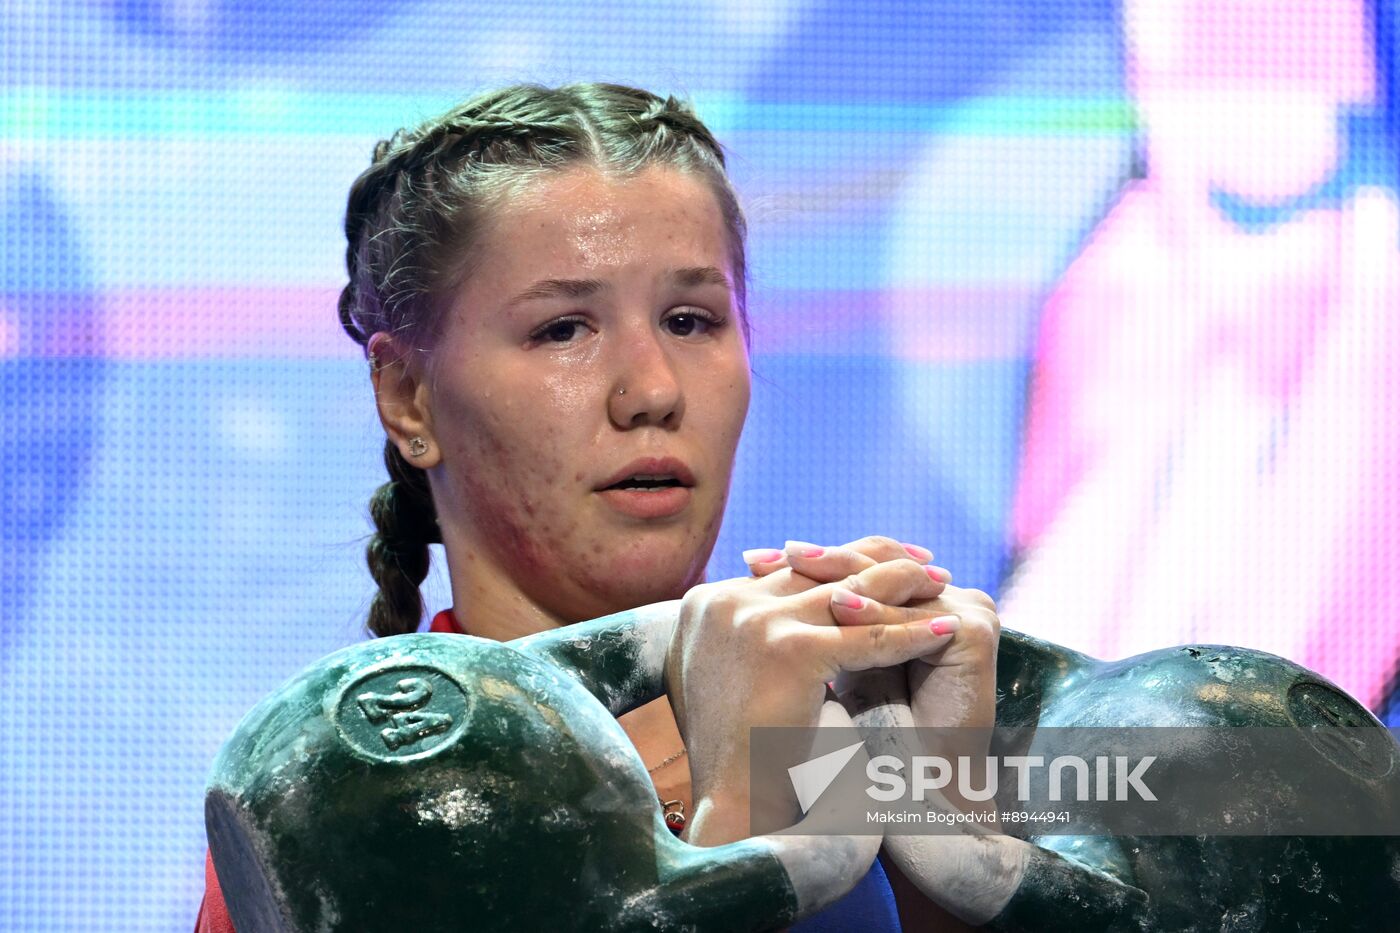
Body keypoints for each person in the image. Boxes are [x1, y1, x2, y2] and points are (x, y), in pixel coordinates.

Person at [195, 82, 1000, 931]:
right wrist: (743, 835)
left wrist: (956, 851)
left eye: (691, 320)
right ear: (409, 398)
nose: (652, 389)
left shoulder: (891, 713)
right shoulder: (332, 801)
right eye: (563, 329)